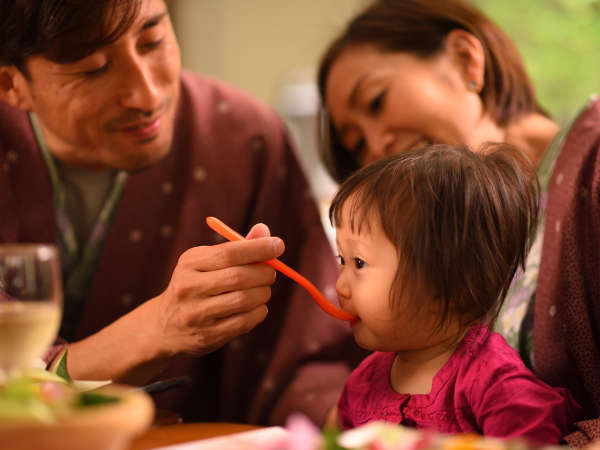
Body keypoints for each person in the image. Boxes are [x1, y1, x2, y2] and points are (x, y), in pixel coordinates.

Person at [0, 0, 366, 425]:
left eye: (153, 41)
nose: (148, 94)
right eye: (93, 69)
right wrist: (157, 329)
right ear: (11, 84)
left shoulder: (241, 136)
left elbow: (306, 358)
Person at [317, 0, 600, 445]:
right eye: (355, 144)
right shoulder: (378, 369)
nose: (376, 145)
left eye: (376, 101)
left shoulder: (594, 160)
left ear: (466, 58)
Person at [329, 144, 582, 444]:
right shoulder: (363, 384)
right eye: (341, 260)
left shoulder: (492, 381)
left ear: (451, 286)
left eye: (359, 263)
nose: (340, 286)